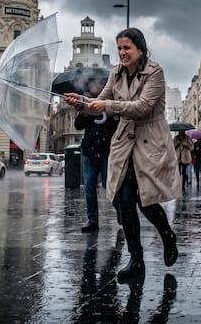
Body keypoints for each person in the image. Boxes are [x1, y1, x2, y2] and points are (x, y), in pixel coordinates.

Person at [65, 28, 181, 283]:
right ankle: (136, 260)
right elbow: (101, 102)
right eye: (119, 48)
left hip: (149, 140)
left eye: (126, 47)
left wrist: (107, 105)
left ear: (139, 48)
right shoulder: (116, 73)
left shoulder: (155, 72)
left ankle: (167, 235)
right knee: (125, 200)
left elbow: (143, 107)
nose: (122, 53)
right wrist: (82, 104)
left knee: (146, 201)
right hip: (123, 141)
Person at [75, 105, 119, 233]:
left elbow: (116, 127)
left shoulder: (109, 106)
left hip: (106, 151)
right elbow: (78, 125)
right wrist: (84, 113)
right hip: (90, 151)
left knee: (108, 184)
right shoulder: (88, 106)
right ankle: (92, 220)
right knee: (89, 185)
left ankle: (120, 210)